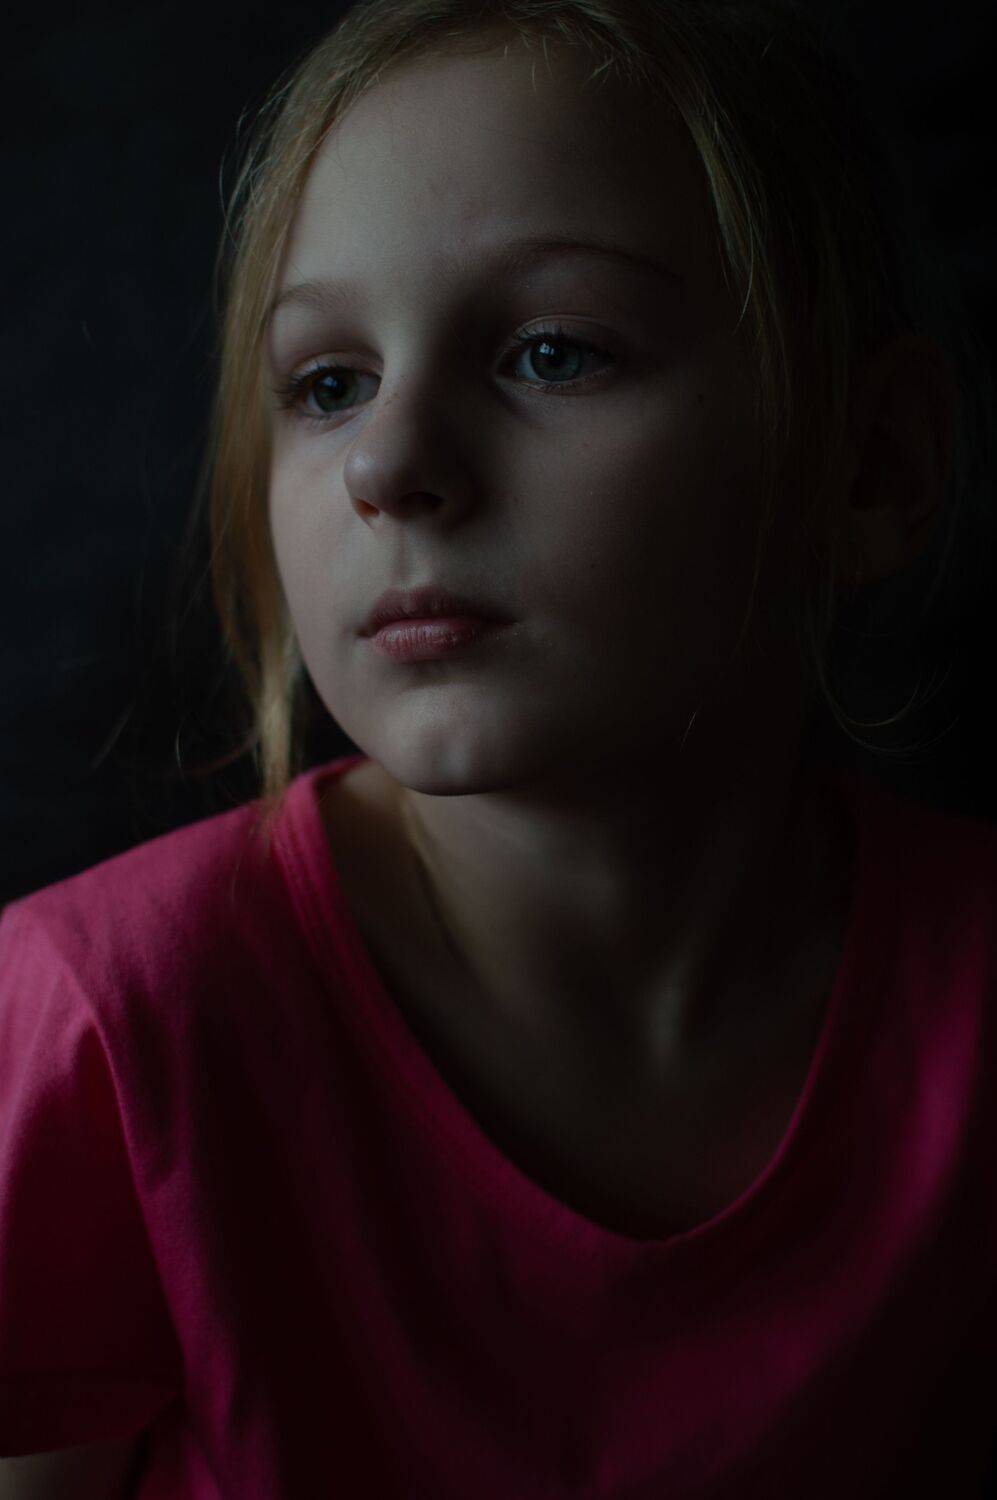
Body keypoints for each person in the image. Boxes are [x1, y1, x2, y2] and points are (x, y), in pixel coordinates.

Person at [2, 1, 995, 1495]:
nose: (391, 464)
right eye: (328, 384)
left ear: (871, 466)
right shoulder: (112, 1022)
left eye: (549, 352)